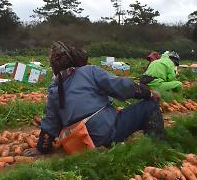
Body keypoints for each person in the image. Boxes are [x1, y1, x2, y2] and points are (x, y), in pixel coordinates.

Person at [27, 41, 165, 155]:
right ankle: (157, 147)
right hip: (106, 132)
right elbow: (121, 86)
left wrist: (41, 149)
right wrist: (148, 93)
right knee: (149, 106)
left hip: (81, 140)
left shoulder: (54, 88)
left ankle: (102, 145)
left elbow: (50, 123)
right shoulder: (89, 71)